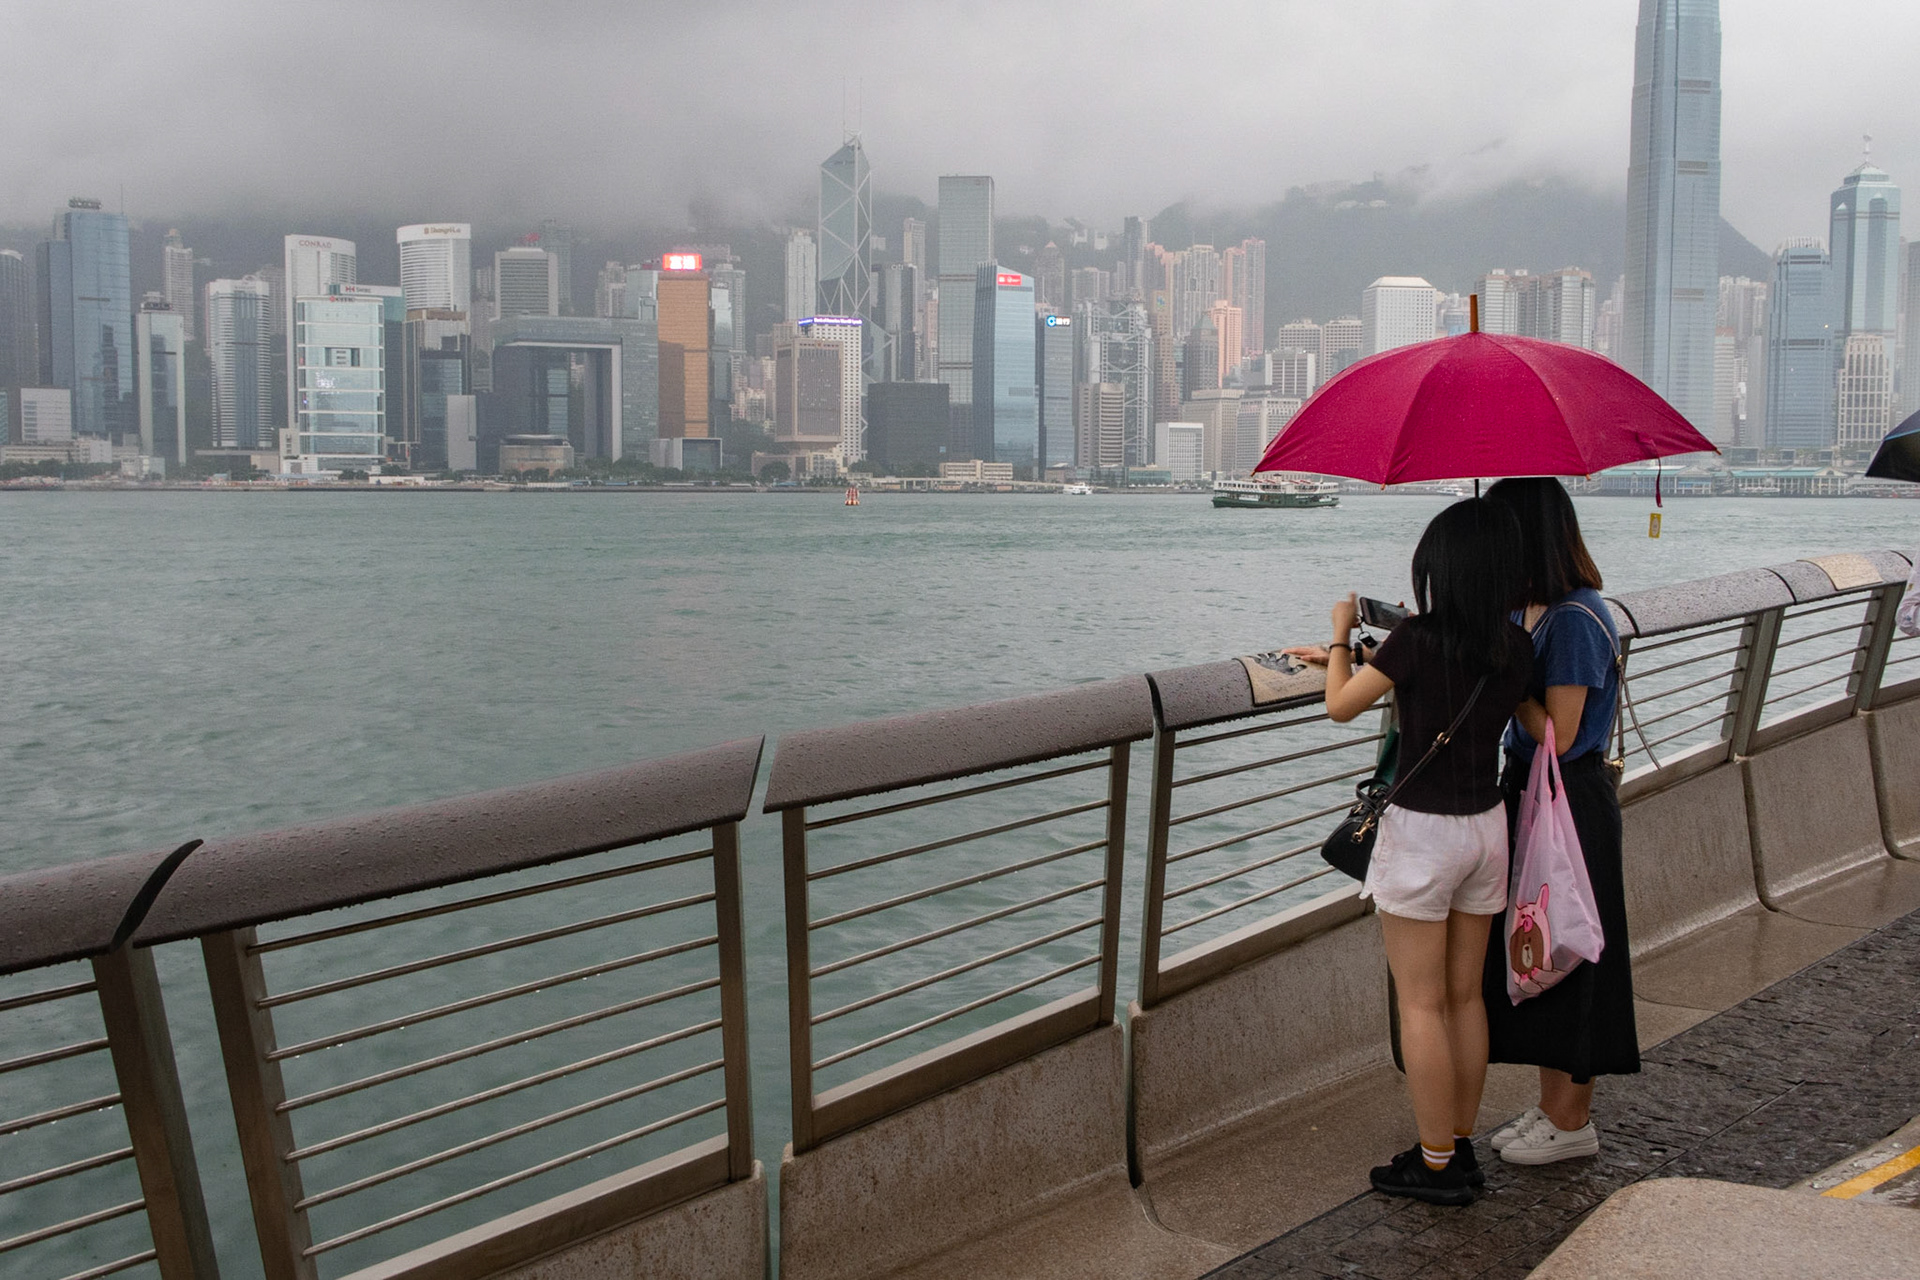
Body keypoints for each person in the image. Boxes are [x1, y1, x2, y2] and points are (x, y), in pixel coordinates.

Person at [1286, 498, 1531, 1204]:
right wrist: (1376, 652)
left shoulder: (1418, 640)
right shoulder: (1515, 647)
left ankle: (1433, 1167)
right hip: (1486, 828)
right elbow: (1470, 684)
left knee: (1420, 1005)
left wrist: (1339, 638)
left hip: (1423, 835)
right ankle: (1456, 1146)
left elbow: (1340, 706)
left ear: (1440, 570)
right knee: (1463, 998)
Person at [1480, 477, 1639, 1167]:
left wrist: (1508, 686)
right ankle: (1554, 1109)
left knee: (1572, 950)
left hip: (1568, 799)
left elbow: (1562, 733)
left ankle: (1573, 1121)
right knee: (1541, 952)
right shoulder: (1534, 611)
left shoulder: (1574, 619)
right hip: (1539, 797)